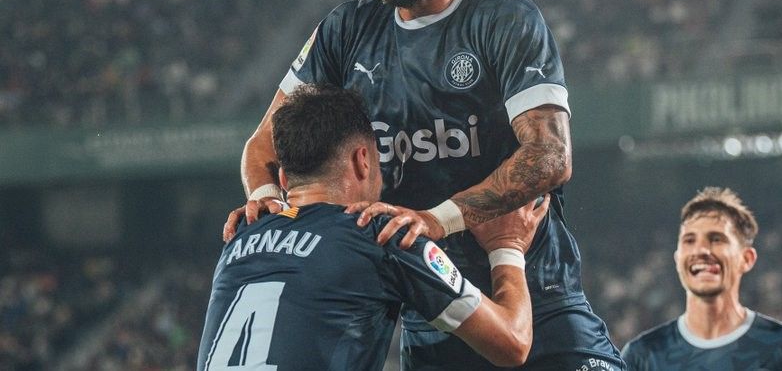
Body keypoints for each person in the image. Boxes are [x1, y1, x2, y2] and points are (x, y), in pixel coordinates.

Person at [225, 0, 624, 369]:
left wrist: (438, 220)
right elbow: (263, 147)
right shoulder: (346, 30)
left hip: (539, 301)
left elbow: (549, 155)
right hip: (432, 319)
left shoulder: (504, 19)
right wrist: (265, 201)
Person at [199, 85, 548, 370]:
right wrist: (508, 247)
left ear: (285, 178)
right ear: (362, 160)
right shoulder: (380, 232)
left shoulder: (241, 233)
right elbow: (512, 343)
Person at [621, 187, 782, 370]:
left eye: (716, 239)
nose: (701, 250)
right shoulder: (642, 357)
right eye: (689, 240)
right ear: (677, 259)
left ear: (747, 259)